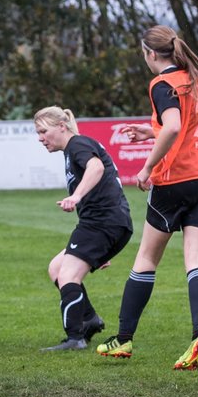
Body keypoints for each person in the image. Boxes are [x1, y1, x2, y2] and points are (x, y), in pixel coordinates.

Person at [96, 25, 198, 370]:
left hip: (177, 181)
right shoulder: (196, 79)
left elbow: (173, 126)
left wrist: (145, 168)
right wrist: (151, 129)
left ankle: (123, 339)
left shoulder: (162, 83)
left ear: (151, 54)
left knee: (146, 258)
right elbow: (178, 124)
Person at [34, 106, 134, 350]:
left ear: (61, 126)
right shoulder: (73, 149)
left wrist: (76, 196)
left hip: (103, 223)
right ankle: (89, 320)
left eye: (43, 131)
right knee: (57, 268)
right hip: (104, 224)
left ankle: (75, 338)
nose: (40, 138)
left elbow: (96, 168)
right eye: (38, 133)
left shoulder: (78, 144)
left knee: (68, 275)